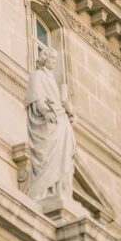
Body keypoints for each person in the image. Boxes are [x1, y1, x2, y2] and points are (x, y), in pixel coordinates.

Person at [25, 47, 75, 201]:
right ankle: (44, 190)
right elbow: (36, 97)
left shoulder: (52, 79)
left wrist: (70, 111)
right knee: (47, 157)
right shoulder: (37, 76)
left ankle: (58, 188)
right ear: (44, 58)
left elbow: (60, 103)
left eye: (55, 59)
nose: (54, 61)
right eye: (52, 58)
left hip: (61, 121)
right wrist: (46, 112)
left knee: (64, 159)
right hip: (48, 124)